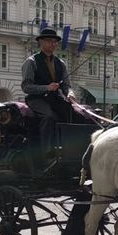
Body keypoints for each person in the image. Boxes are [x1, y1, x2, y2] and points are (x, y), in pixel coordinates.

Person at [21, 26, 76, 155]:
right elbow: (26, 87)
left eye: (55, 42)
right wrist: (46, 87)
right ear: (42, 42)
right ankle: (46, 152)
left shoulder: (60, 63)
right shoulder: (31, 62)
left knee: (72, 113)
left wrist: (70, 94)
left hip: (54, 99)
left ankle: (68, 148)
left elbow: (66, 85)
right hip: (36, 99)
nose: (54, 44)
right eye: (51, 41)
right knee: (49, 116)